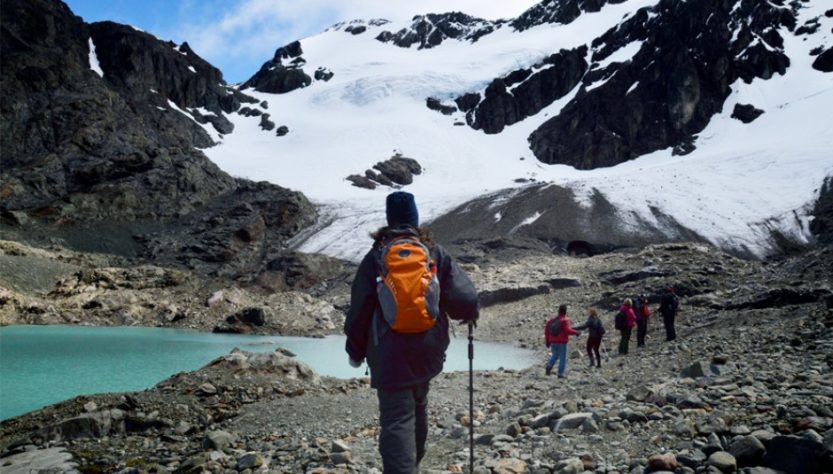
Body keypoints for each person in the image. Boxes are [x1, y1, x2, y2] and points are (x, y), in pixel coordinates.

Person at [344, 191, 479, 474]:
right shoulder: (433, 253)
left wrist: (355, 352)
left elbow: (359, 310)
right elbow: (464, 298)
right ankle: (414, 462)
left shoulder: (376, 257)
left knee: (396, 419)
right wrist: (469, 315)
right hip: (427, 350)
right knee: (419, 404)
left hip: (390, 355)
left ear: (389, 219)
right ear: (415, 219)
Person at [544, 304, 579, 378]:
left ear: (558, 311)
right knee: (563, 357)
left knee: (555, 355)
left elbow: (547, 331)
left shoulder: (551, 321)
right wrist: (576, 332)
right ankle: (560, 374)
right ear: (565, 312)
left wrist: (547, 341)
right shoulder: (565, 320)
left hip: (553, 341)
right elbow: (568, 331)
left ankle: (549, 367)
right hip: (562, 342)